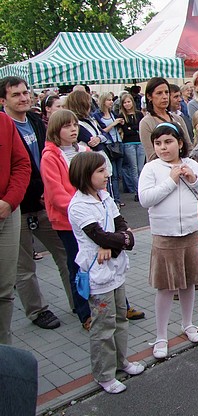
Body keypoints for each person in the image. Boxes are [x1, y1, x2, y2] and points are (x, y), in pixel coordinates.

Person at [67, 151, 145, 393]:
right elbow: (99, 236)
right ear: (85, 174)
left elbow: (120, 224)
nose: (107, 175)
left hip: (115, 270)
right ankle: (104, 373)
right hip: (98, 274)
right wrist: (123, 240)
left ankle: (121, 361)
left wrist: (119, 241)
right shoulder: (79, 206)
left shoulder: (104, 196)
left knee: (120, 318)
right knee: (103, 325)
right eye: (100, 171)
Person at [0, 76, 73, 330]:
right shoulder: (5, 126)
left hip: (45, 203)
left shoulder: (34, 120)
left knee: (64, 254)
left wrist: (50, 189)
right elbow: (17, 168)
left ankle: (78, 301)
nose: (23, 98)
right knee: (24, 266)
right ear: (3, 100)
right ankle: (37, 310)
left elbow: (47, 156)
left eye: (25, 92)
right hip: (17, 206)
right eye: (15, 95)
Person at [138, 123, 198, 359]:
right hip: (165, 236)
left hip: (191, 232)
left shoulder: (192, 164)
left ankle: (188, 324)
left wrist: (193, 179)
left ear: (180, 143)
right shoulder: (151, 168)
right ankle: (161, 336)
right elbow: (145, 199)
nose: (163, 148)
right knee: (165, 287)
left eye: (168, 142)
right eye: (158, 143)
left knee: (189, 283)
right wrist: (170, 181)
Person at [40, 109, 93, 330]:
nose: (73, 129)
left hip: (91, 216)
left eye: (75, 125)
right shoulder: (50, 157)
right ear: (55, 130)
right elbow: (56, 194)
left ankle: (118, 304)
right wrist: (81, 210)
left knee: (100, 261)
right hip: (68, 221)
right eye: (67, 126)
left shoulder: (84, 150)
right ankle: (84, 313)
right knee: (77, 266)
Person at [0, 110, 31, 344]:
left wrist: (10, 201)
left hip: (7, 211)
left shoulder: (3, 122)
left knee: (4, 289)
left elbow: (21, 164)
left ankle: (4, 349)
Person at [139, 77, 192, 161]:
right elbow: (152, 155)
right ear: (149, 96)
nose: (164, 97)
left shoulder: (178, 119)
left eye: (166, 92)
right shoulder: (146, 123)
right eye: (159, 93)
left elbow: (188, 146)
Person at [93, 93, 125, 207]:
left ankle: (117, 198)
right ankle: (114, 200)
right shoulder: (97, 115)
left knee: (118, 174)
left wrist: (120, 123)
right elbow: (102, 131)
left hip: (117, 143)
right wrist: (113, 123)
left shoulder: (112, 113)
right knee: (112, 174)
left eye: (111, 100)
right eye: (108, 100)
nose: (111, 102)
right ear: (103, 101)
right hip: (107, 145)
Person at [117, 93, 145, 199]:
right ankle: (137, 192)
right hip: (128, 144)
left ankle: (142, 190)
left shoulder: (139, 114)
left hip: (140, 143)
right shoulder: (121, 116)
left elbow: (140, 128)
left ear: (132, 102)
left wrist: (131, 128)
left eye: (128, 102)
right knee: (133, 168)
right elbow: (126, 131)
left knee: (141, 168)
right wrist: (133, 129)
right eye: (124, 102)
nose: (127, 104)